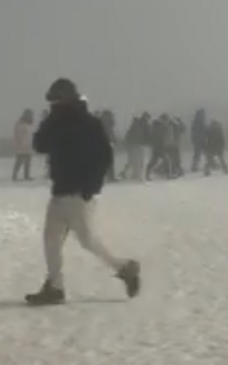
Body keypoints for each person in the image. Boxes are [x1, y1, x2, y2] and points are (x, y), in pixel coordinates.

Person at [25, 78, 141, 305]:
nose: (54, 105)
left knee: (88, 240)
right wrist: (50, 120)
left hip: (80, 193)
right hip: (60, 190)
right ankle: (55, 287)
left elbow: (104, 156)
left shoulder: (89, 123)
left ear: (68, 98)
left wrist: (91, 185)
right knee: (51, 239)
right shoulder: (56, 122)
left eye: (57, 100)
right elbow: (40, 145)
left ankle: (125, 268)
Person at [120, 114, 148, 181]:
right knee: (137, 161)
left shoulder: (135, 126)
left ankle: (133, 174)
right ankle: (136, 175)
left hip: (133, 145)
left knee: (133, 161)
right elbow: (137, 137)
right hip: (135, 145)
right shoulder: (138, 127)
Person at [12, 109, 35, 181]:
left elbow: (30, 133)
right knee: (19, 161)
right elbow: (18, 134)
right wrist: (20, 142)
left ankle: (26, 175)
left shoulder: (30, 123)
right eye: (30, 114)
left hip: (28, 145)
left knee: (28, 161)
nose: (31, 116)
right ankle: (14, 176)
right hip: (21, 145)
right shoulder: (20, 123)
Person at [190, 108, 207, 172]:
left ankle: (194, 166)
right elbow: (204, 130)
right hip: (201, 139)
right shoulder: (201, 121)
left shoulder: (195, 122)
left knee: (197, 154)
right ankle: (211, 163)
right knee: (206, 152)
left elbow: (193, 131)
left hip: (196, 140)